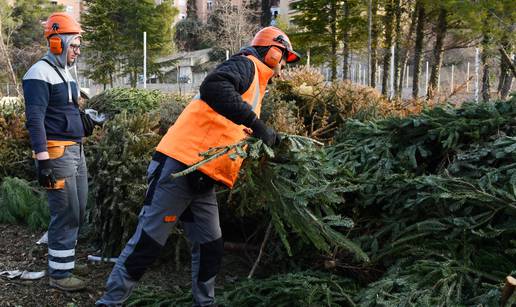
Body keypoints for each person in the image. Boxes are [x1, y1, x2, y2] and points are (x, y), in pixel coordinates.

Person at [96, 26, 300, 307]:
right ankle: (110, 302)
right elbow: (214, 87)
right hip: (179, 167)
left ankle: (205, 303)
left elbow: (229, 123)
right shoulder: (245, 64)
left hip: (203, 177)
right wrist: (256, 124)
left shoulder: (257, 81)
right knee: (149, 242)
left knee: (210, 245)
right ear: (274, 52)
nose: (282, 69)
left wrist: (258, 135)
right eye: (283, 60)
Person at [22, 12, 87, 291]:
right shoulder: (39, 73)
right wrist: (43, 162)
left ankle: (65, 261)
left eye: (79, 45)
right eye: (73, 45)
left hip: (76, 151)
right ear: (57, 43)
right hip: (57, 154)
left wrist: (84, 120)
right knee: (66, 212)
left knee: (79, 209)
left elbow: (64, 110)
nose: (77, 50)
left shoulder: (64, 71)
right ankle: (59, 275)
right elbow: (35, 120)